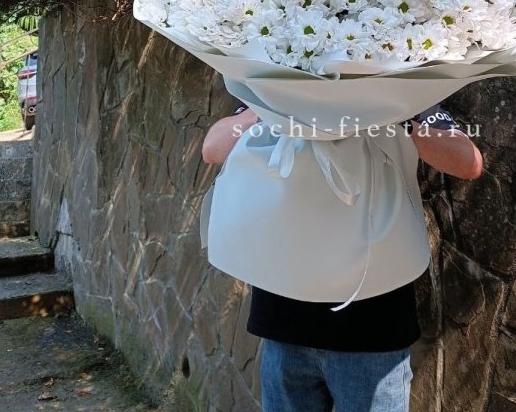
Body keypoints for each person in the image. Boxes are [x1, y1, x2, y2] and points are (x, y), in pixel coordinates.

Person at [202, 103, 483, 412]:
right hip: (283, 327)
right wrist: (267, 108)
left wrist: (397, 121)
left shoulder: (403, 94)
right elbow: (213, 148)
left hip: (373, 335)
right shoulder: (276, 89)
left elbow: (468, 162)